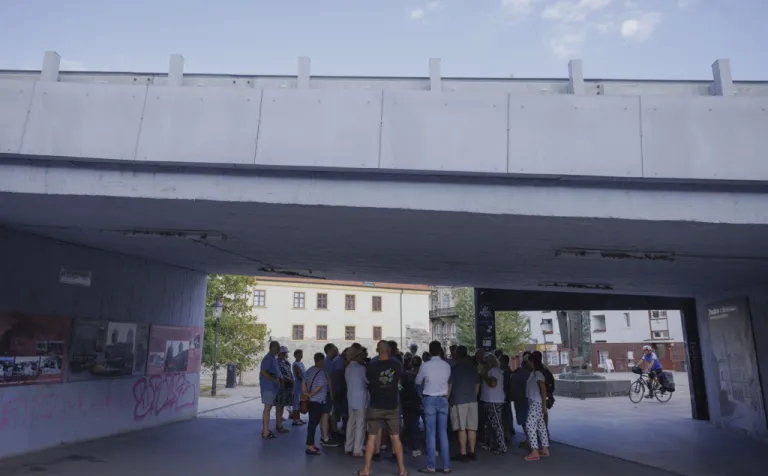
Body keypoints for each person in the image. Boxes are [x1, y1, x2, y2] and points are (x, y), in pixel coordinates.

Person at [357, 340, 407, 476]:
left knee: (371, 438)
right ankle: (402, 470)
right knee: (395, 437)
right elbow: (399, 381)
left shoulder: (372, 366)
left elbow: (369, 383)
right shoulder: (397, 364)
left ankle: (366, 470)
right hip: (392, 405)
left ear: (377, 350)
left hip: (375, 405)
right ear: (389, 350)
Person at [416, 341, 452, 474]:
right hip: (443, 399)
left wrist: (421, 396)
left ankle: (431, 466)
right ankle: (446, 466)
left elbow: (417, 382)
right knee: (443, 433)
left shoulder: (425, 366)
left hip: (429, 399)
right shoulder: (446, 365)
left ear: (430, 351)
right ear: (440, 350)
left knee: (431, 433)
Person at [449, 345, 480, 462]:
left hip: (459, 400)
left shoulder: (455, 368)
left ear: (457, 354)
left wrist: (447, 399)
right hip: (472, 399)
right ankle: (472, 452)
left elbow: (450, 385)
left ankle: (463, 453)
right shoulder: (473, 367)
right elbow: (477, 384)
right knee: (472, 427)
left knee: (461, 428)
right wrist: (474, 396)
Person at [304, 352, 337, 455]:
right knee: (313, 425)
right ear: (322, 360)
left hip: (311, 401)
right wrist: (311, 394)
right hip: (318, 401)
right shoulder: (322, 373)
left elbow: (303, 383)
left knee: (312, 423)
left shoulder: (309, 370)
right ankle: (310, 446)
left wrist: (306, 394)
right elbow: (319, 387)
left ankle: (311, 444)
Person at [524, 352, 550, 461]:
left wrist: (544, 405)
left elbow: (543, 389)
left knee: (530, 424)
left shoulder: (538, 373)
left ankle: (534, 451)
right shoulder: (535, 373)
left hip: (536, 402)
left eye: (529, 361)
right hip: (535, 402)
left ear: (532, 362)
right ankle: (545, 449)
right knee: (540, 425)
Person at [480, 354, 507, 455]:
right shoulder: (492, 370)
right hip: (489, 400)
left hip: (494, 400)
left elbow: (493, 383)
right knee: (489, 423)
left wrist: (484, 376)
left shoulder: (494, 370)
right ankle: (490, 443)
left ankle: (502, 446)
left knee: (496, 424)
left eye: (485, 361)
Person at [345, 347, 368, 457]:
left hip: (350, 398)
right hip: (361, 399)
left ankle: (348, 447)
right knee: (360, 424)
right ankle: (357, 449)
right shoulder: (361, 369)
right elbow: (367, 381)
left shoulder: (347, 368)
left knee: (351, 423)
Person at [402, 355, 423, 456]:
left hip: (408, 401)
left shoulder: (406, 374)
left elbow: (401, 387)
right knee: (424, 425)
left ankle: (411, 446)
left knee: (410, 425)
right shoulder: (422, 374)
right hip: (420, 401)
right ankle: (420, 447)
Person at [260, 341, 281, 440]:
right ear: (272, 347)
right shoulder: (268, 358)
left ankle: (266, 430)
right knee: (267, 409)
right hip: (268, 387)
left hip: (272, 387)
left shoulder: (273, 358)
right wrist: (274, 380)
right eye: (277, 347)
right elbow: (264, 372)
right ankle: (265, 432)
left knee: (268, 408)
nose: (279, 349)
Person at [511, 354, 532, 450]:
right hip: (528, 399)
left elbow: (514, 387)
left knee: (524, 421)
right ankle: (530, 440)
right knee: (529, 421)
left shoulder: (519, 373)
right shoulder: (532, 373)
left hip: (521, 400)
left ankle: (529, 441)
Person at [275, 346, 294, 434]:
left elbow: (289, 372)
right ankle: (279, 426)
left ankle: (279, 424)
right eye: (283, 353)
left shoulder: (285, 362)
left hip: (286, 387)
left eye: (285, 353)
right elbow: (280, 375)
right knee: (279, 407)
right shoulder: (277, 363)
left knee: (282, 406)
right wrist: (290, 380)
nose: (285, 354)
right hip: (280, 387)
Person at [499, 354, 515, 441]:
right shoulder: (509, 371)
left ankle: (506, 433)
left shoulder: (504, 372)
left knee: (505, 415)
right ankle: (510, 429)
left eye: (500, 360)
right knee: (508, 413)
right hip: (507, 396)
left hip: (504, 396)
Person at [291, 349, 306, 425]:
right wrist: (304, 382)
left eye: (301, 354)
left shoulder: (301, 363)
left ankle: (298, 418)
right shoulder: (295, 364)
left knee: (301, 402)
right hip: (298, 386)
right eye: (299, 354)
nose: (301, 355)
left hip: (302, 386)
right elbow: (298, 375)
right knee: (296, 403)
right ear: (295, 355)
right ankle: (295, 420)